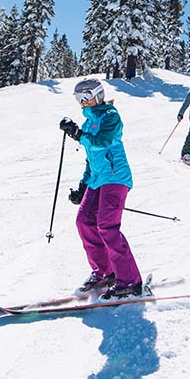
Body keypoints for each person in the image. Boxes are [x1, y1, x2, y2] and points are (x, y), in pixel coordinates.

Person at [59, 78, 145, 300]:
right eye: (79, 98)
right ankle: (105, 272)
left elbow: (102, 142)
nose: (83, 102)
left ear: (97, 95)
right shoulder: (88, 124)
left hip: (115, 178)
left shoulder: (110, 116)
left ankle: (130, 281)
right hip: (97, 180)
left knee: (107, 226)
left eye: (86, 96)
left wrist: (78, 135)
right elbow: (91, 159)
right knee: (84, 221)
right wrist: (83, 185)